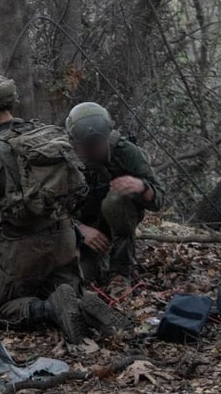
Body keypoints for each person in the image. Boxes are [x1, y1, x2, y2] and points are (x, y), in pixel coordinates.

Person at [0, 74, 129, 342]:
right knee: (65, 287)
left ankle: (49, 308)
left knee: (0, 305)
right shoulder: (48, 134)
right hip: (64, 240)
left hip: (21, 249)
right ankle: (84, 302)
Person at [65, 102, 162, 284]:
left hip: (111, 223)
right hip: (74, 229)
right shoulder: (62, 157)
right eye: (84, 146)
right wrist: (78, 229)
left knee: (116, 201)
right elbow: (47, 207)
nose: (90, 151)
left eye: (96, 145)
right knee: (78, 278)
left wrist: (142, 187)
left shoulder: (125, 152)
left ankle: (120, 271)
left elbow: (159, 199)